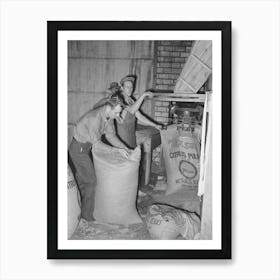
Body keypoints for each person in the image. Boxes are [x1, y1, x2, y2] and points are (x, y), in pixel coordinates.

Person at [69, 94, 130, 221]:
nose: (118, 116)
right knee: (91, 181)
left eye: (119, 113)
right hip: (78, 149)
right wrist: (117, 151)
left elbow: (111, 136)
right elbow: (97, 144)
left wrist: (124, 148)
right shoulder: (95, 118)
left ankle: (78, 206)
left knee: (83, 179)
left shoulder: (108, 117)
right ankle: (86, 216)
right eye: (117, 112)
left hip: (86, 147)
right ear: (109, 107)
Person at [116, 75, 163, 149]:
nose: (130, 89)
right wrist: (143, 95)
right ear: (122, 88)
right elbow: (132, 110)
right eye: (127, 87)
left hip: (130, 134)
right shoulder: (119, 99)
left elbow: (140, 116)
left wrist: (155, 125)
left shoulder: (131, 100)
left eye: (131, 87)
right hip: (121, 135)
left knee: (132, 156)